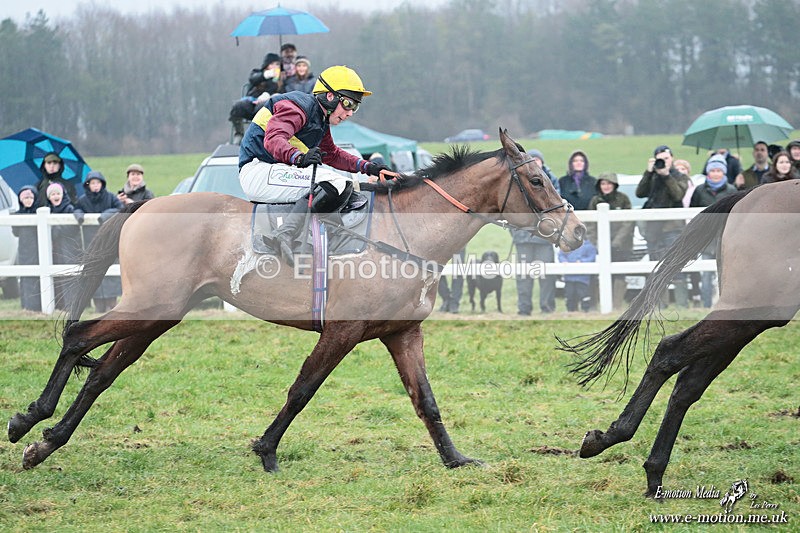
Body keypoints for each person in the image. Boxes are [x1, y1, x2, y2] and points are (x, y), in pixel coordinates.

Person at [238, 65, 392, 266]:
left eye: (355, 107)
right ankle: (284, 234)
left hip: (273, 171)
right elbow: (274, 139)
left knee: (341, 183)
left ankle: (318, 236)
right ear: (330, 97)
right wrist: (298, 157)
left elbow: (333, 155)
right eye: (347, 104)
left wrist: (368, 167)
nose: (350, 112)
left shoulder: (319, 119)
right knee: (333, 182)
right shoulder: (297, 107)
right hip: (258, 171)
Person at [636, 144, 690, 308]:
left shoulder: (679, 176)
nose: (664, 162)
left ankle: (682, 305)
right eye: (660, 159)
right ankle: (659, 305)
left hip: (672, 228)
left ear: (672, 158)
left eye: (666, 158)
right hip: (653, 228)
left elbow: (678, 194)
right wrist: (648, 172)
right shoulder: (652, 176)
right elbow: (640, 193)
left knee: (676, 265)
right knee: (655, 267)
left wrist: (666, 176)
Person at [511, 148, 558, 315]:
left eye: (538, 160)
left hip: (545, 238)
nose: (536, 163)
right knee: (524, 276)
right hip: (523, 238)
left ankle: (547, 307)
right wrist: (515, 232)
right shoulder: (518, 183)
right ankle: (524, 308)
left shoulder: (551, 181)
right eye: (533, 160)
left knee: (546, 275)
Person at [689, 154, 737, 308]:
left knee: (725, 275)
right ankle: (706, 305)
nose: (716, 173)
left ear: (723, 172)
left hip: (725, 238)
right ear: (708, 172)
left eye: (719, 170)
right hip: (706, 239)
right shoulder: (700, 190)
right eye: (713, 170)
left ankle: (722, 305)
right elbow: (692, 213)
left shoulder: (731, 190)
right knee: (706, 275)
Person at [74, 170, 124, 313]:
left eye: (98, 183)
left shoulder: (110, 197)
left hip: (109, 242)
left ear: (102, 184)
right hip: (92, 242)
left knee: (110, 271)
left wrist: (105, 216)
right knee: (93, 271)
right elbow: (76, 208)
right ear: (88, 185)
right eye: (93, 183)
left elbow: (120, 208)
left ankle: (111, 304)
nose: (95, 186)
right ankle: (98, 306)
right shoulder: (83, 199)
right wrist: (80, 217)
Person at [587, 172, 634, 310]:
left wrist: (616, 242)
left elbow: (628, 222)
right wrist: (596, 243)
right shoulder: (595, 200)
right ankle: (599, 305)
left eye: (608, 183)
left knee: (619, 274)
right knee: (599, 274)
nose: (606, 186)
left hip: (621, 245)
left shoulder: (623, 199)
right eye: (603, 183)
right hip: (600, 245)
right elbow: (590, 225)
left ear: (614, 185)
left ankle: (616, 305)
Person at [229, 52, 283, 144]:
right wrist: (265, 75)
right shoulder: (257, 73)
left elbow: (279, 91)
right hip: (251, 100)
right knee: (238, 106)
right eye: (272, 64)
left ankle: (260, 137)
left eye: (277, 64)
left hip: (266, 103)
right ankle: (239, 133)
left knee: (263, 108)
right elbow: (253, 79)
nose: (275, 66)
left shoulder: (280, 80)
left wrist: (268, 94)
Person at [45, 182, 81, 311]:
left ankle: (71, 304)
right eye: (53, 194)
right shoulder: (46, 211)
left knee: (69, 276)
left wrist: (58, 228)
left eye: (58, 193)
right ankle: (59, 305)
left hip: (68, 248)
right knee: (56, 278)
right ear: (49, 197)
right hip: (54, 249)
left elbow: (73, 230)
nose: (56, 196)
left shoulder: (69, 209)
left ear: (63, 194)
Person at [12, 186, 41, 312]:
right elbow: (15, 232)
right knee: (25, 278)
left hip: (38, 249)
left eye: (30, 197)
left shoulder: (39, 213)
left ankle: (36, 305)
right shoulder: (18, 215)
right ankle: (26, 305)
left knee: (37, 278)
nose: (28, 200)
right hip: (24, 250)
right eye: (25, 198)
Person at [558, 240, 597, 312]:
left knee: (583, 294)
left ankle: (585, 310)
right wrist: (564, 261)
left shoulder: (588, 246)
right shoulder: (566, 245)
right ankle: (570, 310)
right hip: (569, 277)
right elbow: (561, 255)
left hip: (583, 278)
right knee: (569, 294)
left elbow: (591, 258)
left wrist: (582, 261)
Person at [438, 249, 465, 313]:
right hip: (438, 241)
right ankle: (446, 299)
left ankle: (454, 302)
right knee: (436, 267)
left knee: (458, 269)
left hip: (458, 240)